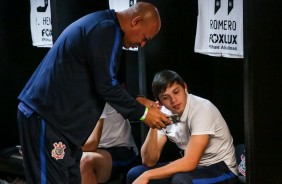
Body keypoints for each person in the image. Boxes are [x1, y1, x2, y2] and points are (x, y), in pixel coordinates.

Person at [17, 2, 171, 183]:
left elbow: (102, 80)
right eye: (145, 37)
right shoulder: (105, 30)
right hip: (46, 118)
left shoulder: (107, 28)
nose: (142, 44)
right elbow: (106, 85)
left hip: (63, 128)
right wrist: (143, 113)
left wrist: (137, 100)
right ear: (136, 21)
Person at [127, 70, 238, 184]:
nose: (173, 100)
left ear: (185, 87)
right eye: (165, 98)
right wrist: (154, 122)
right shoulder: (165, 112)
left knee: (180, 180)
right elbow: (148, 161)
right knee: (135, 173)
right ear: (159, 102)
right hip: (195, 168)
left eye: (176, 92)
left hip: (221, 169)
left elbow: (190, 162)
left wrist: (148, 175)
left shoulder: (201, 109)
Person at [80, 102, 140, 184]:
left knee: (85, 160)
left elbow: (92, 144)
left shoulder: (96, 96)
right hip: (93, 151)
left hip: (120, 150)